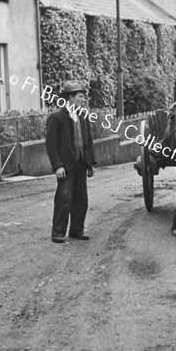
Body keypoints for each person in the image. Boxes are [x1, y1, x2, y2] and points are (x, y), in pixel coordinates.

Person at [45, 80, 97, 243]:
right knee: (64, 198)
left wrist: (90, 163)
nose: (83, 100)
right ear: (70, 97)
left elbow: (88, 140)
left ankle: (77, 230)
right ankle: (58, 232)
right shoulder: (57, 117)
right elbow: (51, 144)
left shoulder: (83, 116)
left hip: (81, 163)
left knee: (81, 199)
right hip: (66, 165)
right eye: (80, 96)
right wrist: (57, 166)